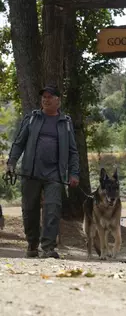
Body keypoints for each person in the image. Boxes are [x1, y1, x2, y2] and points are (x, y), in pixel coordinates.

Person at [5, 85, 79, 258]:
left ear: (58, 101)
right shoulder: (32, 119)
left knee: (53, 208)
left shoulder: (65, 123)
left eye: (49, 97)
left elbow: (73, 151)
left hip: (55, 174)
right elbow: (19, 143)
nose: (45, 99)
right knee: (30, 210)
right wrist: (11, 162)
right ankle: (32, 244)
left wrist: (74, 174)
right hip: (30, 172)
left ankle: (48, 247)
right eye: (44, 97)